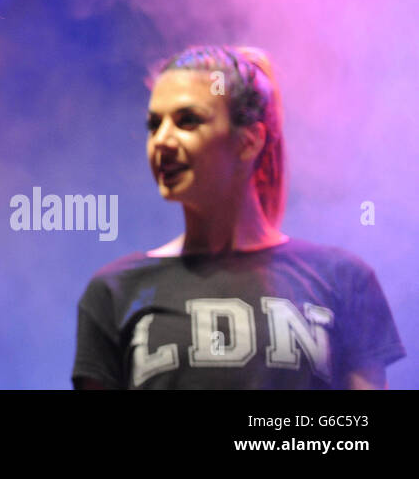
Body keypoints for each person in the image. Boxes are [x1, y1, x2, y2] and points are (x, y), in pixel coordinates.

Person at [72, 45, 405, 389]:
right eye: (154, 125)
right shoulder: (116, 291)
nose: (162, 141)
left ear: (249, 141)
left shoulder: (342, 280)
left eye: (188, 120)